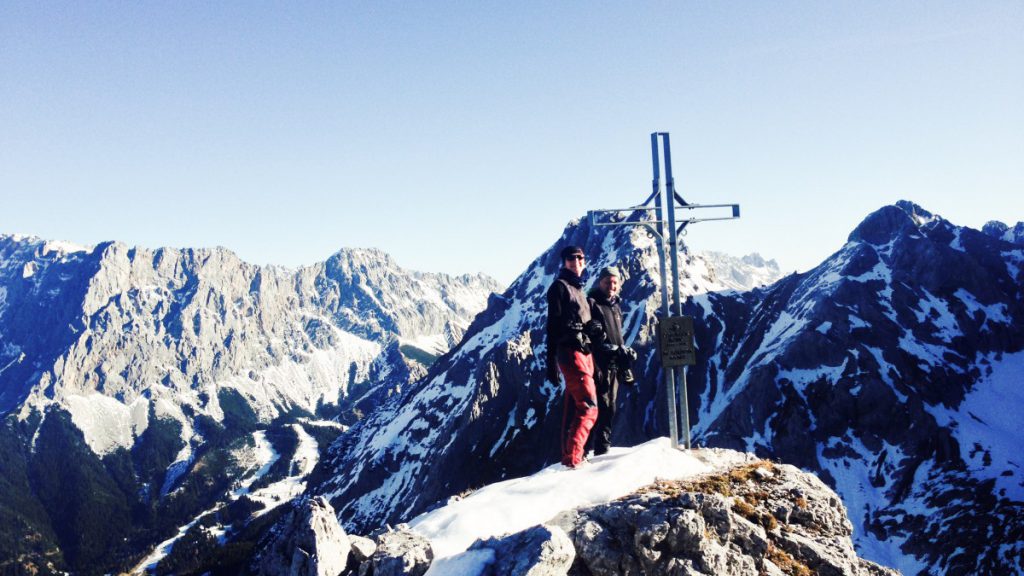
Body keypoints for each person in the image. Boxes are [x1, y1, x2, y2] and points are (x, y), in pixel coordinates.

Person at [545, 245, 601, 468]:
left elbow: (578, 323)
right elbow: (552, 327)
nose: (575, 262)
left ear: (584, 262)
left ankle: (573, 457)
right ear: (564, 262)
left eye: (579, 258)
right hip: (571, 352)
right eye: (570, 258)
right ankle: (573, 460)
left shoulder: (579, 290)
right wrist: (551, 363)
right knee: (588, 406)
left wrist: (590, 329)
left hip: (583, 352)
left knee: (577, 406)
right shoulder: (559, 288)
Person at [586, 266, 637, 456]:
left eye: (615, 282)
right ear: (600, 282)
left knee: (610, 406)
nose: (611, 285)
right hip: (599, 364)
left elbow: (617, 336)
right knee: (603, 405)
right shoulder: (592, 304)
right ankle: (593, 449)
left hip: (614, 363)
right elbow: (591, 333)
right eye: (608, 281)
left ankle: (602, 447)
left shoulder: (615, 305)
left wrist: (623, 355)